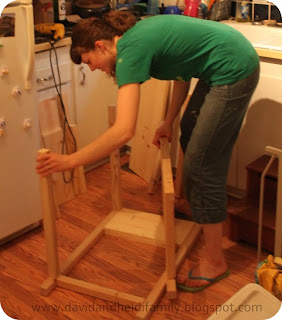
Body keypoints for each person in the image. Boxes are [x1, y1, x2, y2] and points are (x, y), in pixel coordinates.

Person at [36, 11, 260, 292]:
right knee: (190, 128)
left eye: (89, 62)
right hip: (225, 60)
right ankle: (199, 207)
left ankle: (215, 262)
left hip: (233, 68)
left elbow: (123, 131)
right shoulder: (135, 37)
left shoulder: (129, 52)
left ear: (100, 46)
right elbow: (183, 71)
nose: (92, 69)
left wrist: (70, 161)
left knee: (201, 165)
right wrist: (169, 121)